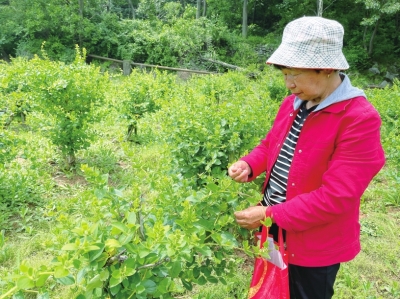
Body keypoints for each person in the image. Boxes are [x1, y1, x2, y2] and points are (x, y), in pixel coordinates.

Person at [228, 16, 385, 299]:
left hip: (314, 244)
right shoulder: (294, 103)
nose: (288, 84)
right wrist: (249, 163)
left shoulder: (358, 119)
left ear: (326, 68)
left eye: (295, 74)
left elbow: (336, 197)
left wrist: (268, 213)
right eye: (284, 73)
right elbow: (271, 144)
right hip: (275, 230)